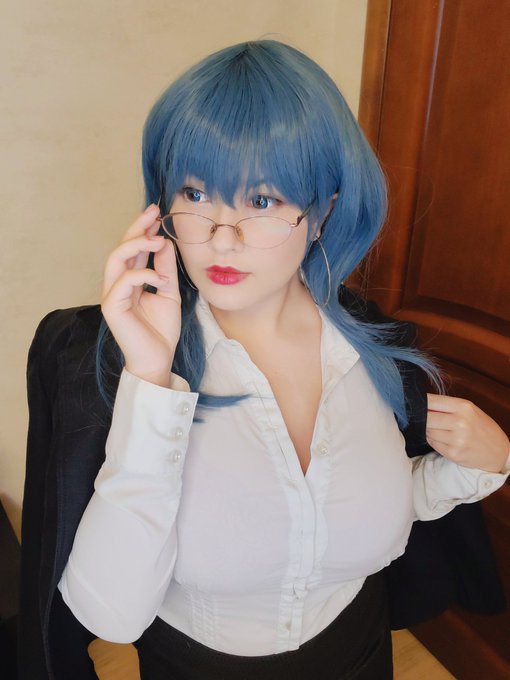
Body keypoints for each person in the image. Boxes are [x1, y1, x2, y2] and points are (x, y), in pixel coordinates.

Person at [19, 40, 510, 680]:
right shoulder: (99, 359)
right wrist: (150, 379)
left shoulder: (377, 351)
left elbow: (358, 514)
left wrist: (481, 466)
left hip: (360, 651)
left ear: (325, 209)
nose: (222, 237)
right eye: (195, 193)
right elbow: (112, 616)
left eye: (261, 201)